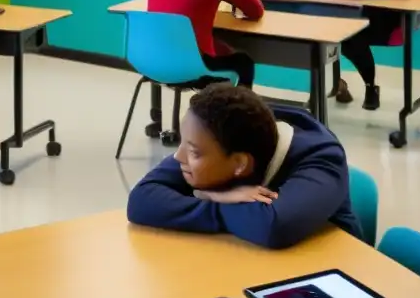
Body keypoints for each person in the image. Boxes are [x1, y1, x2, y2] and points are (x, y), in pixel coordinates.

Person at [127, 83, 363, 249]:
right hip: (250, 261)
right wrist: (218, 199)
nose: (178, 157)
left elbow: (273, 227)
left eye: (193, 152)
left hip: (325, 274)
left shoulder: (320, 159)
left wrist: (207, 198)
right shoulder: (218, 129)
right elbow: (142, 200)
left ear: (240, 163)